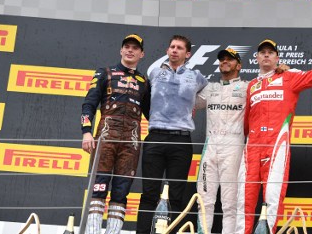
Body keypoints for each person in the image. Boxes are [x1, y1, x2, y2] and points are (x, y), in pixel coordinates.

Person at [235, 28, 312, 234]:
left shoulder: (289, 77)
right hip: (252, 148)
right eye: (262, 52)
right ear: (257, 58)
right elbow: (245, 122)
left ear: (277, 58)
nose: (266, 55)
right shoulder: (251, 85)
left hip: (277, 146)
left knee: (273, 196)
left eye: (270, 52)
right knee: (245, 199)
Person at [137, 35, 208, 234]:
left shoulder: (196, 77)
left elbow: (212, 95)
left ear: (188, 54)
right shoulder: (154, 72)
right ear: (168, 51)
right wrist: (155, 119)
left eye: (179, 48)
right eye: (171, 47)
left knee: (177, 195)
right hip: (155, 137)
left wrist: (193, 106)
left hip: (181, 139)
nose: (174, 50)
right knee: (149, 193)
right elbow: (144, 101)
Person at [81, 34, 150, 234]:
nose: (130, 50)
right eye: (126, 47)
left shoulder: (144, 81)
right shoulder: (105, 73)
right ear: (121, 50)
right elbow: (88, 105)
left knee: (121, 191)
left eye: (135, 48)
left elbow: (153, 113)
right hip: (105, 138)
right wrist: (86, 132)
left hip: (131, 142)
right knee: (99, 187)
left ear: (141, 54)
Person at [194, 48, 247, 234]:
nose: (225, 61)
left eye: (230, 59)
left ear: (238, 65)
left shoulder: (247, 87)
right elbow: (187, 103)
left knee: (230, 203)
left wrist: (284, 69)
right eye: (222, 59)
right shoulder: (210, 88)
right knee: (204, 199)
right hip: (210, 148)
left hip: (233, 149)